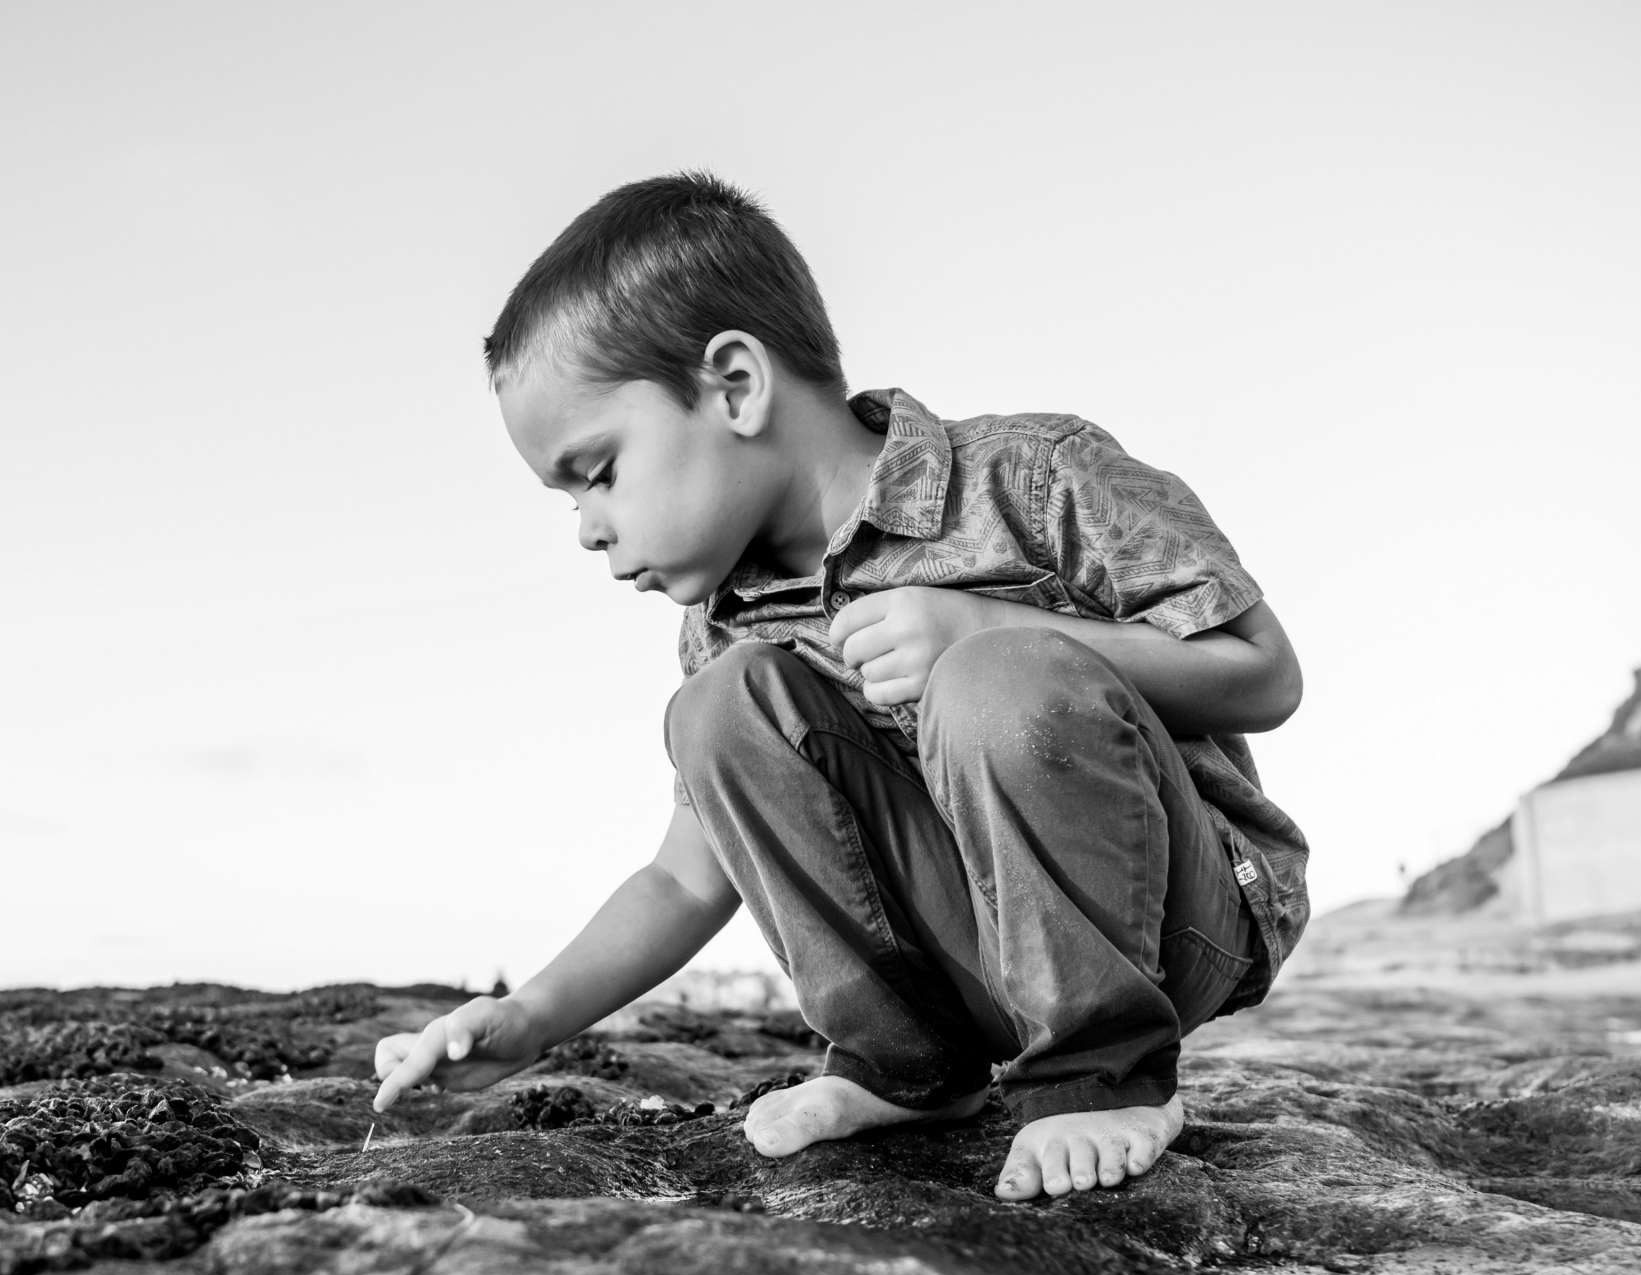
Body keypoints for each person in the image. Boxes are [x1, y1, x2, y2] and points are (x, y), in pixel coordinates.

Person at [372, 172, 1308, 1202]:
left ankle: (1104, 1068)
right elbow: (686, 878)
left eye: (596, 472)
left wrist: (997, 625)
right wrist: (531, 1018)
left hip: (1174, 924)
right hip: (984, 960)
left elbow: (1261, 673)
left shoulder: (1030, 478)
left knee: (996, 675)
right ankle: (907, 1066)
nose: (587, 527)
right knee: (721, 707)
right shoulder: (727, 625)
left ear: (734, 385)